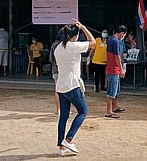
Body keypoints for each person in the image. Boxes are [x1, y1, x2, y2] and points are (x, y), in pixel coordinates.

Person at [54, 19, 96, 156]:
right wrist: (83, 27)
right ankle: (68, 139)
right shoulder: (73, 46)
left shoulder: (58, 48)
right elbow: (93, 43)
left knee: (63, 116)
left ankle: (61, 147)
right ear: (75, 35)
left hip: (61, 86)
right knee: (83, 111)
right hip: (72, 85)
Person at [105, 25, 127, 118]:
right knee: (112, 90)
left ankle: (114, 106)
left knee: (115, 90)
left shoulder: (110, 39)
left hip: (111, 68)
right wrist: (121, 69)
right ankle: (109, 111)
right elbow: (117, 56)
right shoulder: (116, 41)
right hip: (113, 69)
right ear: (122, 33)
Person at [50, 28, 64, 114]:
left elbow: (51, 59)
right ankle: (64, 109)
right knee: (66, 90)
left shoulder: (54, 45)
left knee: (57, 89)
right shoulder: (66, 45)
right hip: (64, 70)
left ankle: (58, 109)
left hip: (55, 69)